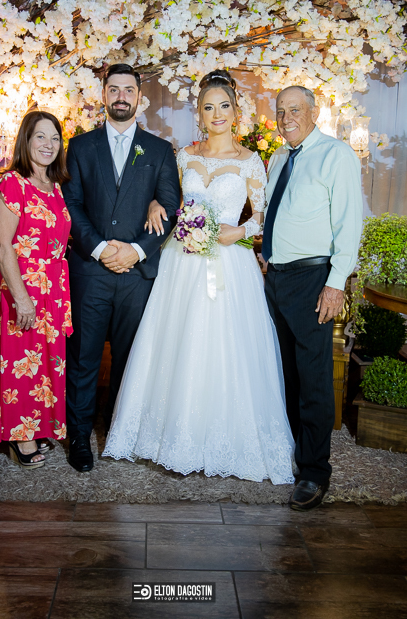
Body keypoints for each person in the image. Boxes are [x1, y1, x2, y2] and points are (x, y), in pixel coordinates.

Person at [102, 70, 295, 484]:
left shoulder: (250, 161)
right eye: (208, 108)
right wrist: (155, 204)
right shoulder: (184, 156)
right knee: (176, 341)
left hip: (228, 265)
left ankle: (226, 441)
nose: (217, 114)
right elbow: (168, 198)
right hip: (182, 261)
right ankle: (168, 438)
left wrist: (239, 231)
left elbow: (264, 216)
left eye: (224, 106)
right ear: (200, 115)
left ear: (236, 112)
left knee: (226, 347)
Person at [62, 63, 181, 473]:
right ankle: (79, 436)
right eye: (113, 89)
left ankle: (119, 432)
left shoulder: (160, 150)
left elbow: (170, 208)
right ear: (103, 95)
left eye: (128, 90)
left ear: (139, 98)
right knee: (84, 358)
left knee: (131, 359)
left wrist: (136, 251)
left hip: (137, 276)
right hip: (90, 271)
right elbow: (71, 204)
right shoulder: (80, 146)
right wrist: (98, 249)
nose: (121, 97)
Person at [262, 85, 363, 510]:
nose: (287, 118)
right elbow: (271, 215)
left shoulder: (336, 155)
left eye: (295, 109)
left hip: (313, 280)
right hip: (275, 279)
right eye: (281, 111)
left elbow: (349, 224)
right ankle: (292, 452)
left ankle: (315, 472)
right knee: (284, 373)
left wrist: (335, 283)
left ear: (314, 112)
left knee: (314, 379)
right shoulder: (278, 158)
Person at [0, 111, 72, 468]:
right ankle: (20, 437)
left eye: (55, 138)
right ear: (26, 141)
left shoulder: (55, 186)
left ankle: (37, 425)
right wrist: (22, 299)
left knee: (43, 364)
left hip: (53, 290)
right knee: (20, 362)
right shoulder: (12, 184)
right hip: (22, 289)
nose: (49, 145)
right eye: (40, 137)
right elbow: (2, 244)